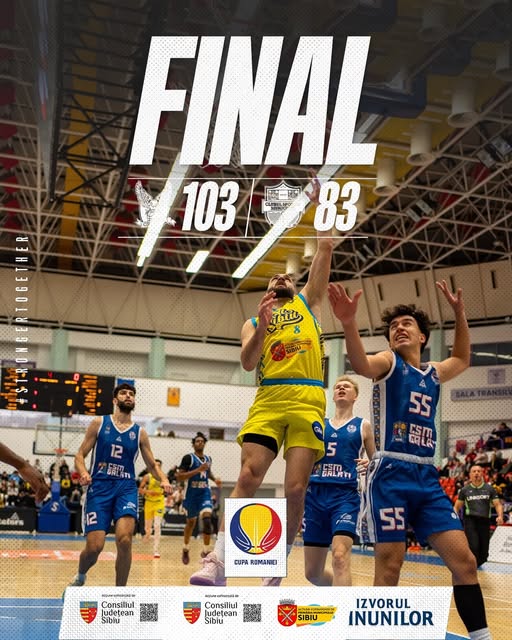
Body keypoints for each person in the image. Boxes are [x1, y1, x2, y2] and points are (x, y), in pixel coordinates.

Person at [328, 280, 494, 640]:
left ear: (422, 336)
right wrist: (348, 322)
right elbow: (360, 362)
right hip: (390, 474)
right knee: (390, 568)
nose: (399, 328)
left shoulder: (433, 372)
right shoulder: (389, 362)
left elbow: (462, 359)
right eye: (393, 326)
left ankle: (482, 637)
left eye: (407, 324)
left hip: (426, 476)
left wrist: (460, 313)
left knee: (465, 563)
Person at [190, 174, 333, 587]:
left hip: (307, 400)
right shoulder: (253, 322)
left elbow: (325, 246)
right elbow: (248, 362)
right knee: (247, 477)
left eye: (286, 278)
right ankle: (218, 562)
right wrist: (263, 327)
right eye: (274, 280)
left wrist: (320, 205)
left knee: (295, 489)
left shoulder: (309, 303)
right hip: (269, 400)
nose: (281, 280)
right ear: (267, 292)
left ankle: (276, 565)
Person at [66, 383, 171, 588]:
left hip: (126, 488)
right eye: (123, 393)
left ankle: (119, 592)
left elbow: (152, 465)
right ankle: (80, 576)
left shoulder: (140, 433)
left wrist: (164, 479)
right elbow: (79, 455)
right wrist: (84, 472)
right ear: (115, 400)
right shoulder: (99, 423)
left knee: (125, 540)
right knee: (94, 548)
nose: (128, 396)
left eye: (131, 394)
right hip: (100, 488)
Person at [303, 375, 375, 586]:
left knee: (340, 557)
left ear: (355, 396)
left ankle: (342, 604)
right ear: (333, 396)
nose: (341, 388)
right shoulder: (319, 425)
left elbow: (377, 462)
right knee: (312, 574)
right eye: (338, 387)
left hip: (345, 497)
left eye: (347, 386)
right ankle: (345, 592)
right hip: (315, 497)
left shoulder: (363, 425)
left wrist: (370, 464)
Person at [176, 432, 221, 564]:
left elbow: (207, 472)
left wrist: (214, 479)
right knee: (191, 523)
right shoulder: (188, 458)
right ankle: (185, 548)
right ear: (193, 444)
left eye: (202, 441)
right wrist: (197, 470)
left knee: (207, 520)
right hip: (191, 495)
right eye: (197, 441)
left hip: (204, 493)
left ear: (205, 444)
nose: (200, 443)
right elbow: (179, 477)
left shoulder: (208, 459)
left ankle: (206, 552)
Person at [454, 464, 504, 567]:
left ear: (482, 474)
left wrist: (500, 516)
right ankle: (471, 569)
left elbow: (498, 504)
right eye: (474, 471)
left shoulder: (489, 489)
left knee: (484, 554)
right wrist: (454, 518)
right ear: (470, 475)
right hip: (470, 521)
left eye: (478, 471)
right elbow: (456, 507)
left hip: (485, 521)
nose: (476, 473)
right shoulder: (465, 490)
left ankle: (476, 566)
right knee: (474, 546)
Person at [139, 458, 166, 558]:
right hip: (149, 503)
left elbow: (167, 490)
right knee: (147, 528)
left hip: (159, 503)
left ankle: (156, 550)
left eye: (159, 465)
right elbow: (140, 490)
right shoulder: (147, 477)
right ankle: (147, 533)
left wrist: (165, 489)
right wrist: (148, 492)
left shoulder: (163, 477)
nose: (157, 467)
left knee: (157, 525)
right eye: (156, 465)